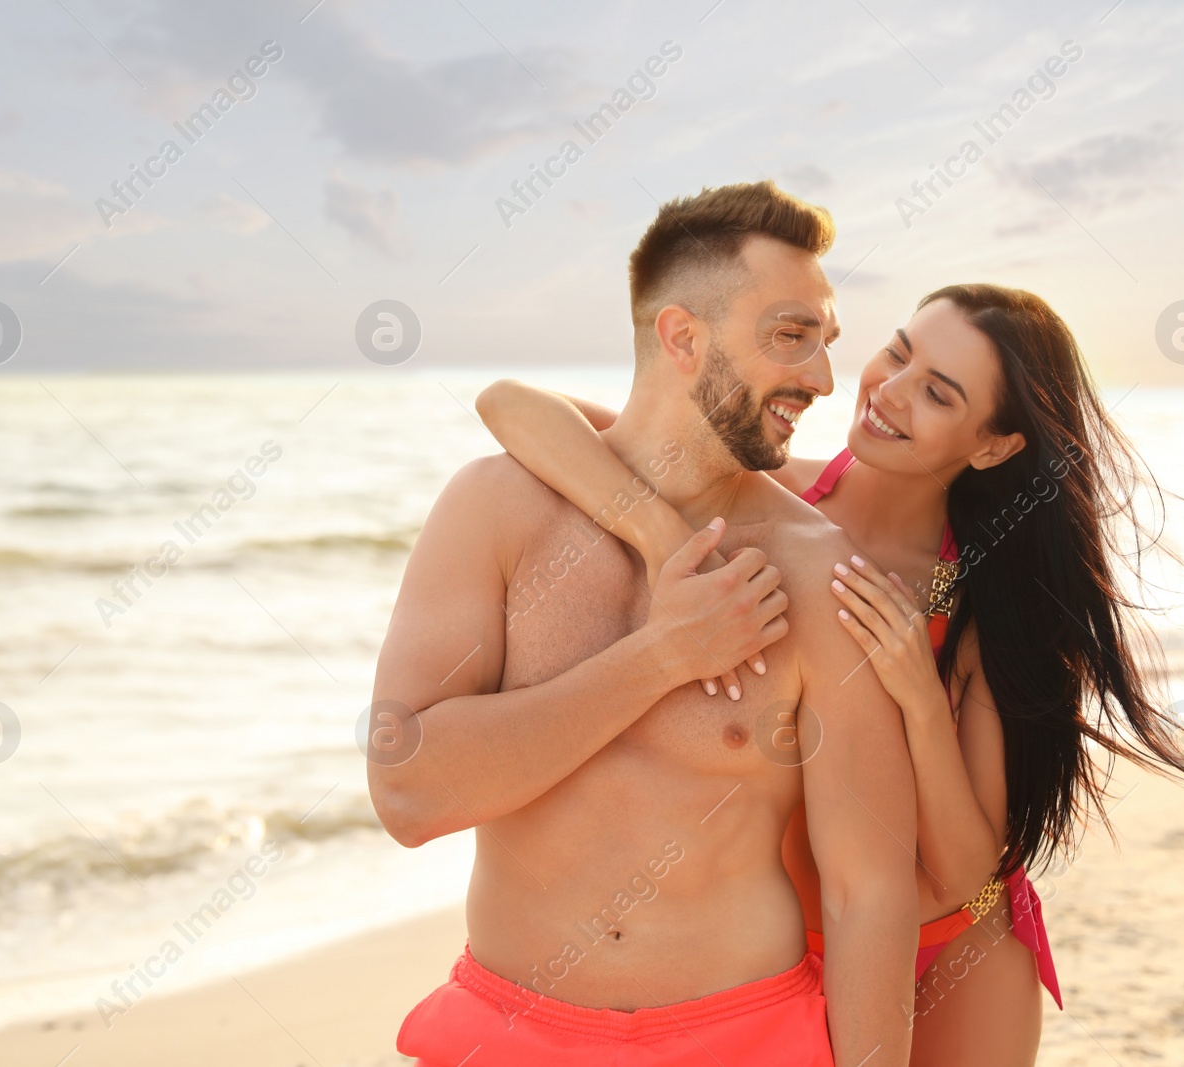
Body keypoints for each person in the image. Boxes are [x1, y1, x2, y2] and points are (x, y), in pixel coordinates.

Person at [476, 282, 1184, 1066]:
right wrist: (657, 533)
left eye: (936, 392)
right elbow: (510, 404)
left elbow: (965, 867)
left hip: (960, 951)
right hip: (783, 962)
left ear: (992, 445)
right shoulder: (763, 497)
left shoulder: (986, 598)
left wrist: (920, 695)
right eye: (898, 350)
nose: (889, 390)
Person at [369, 181, 919, 1066]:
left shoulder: (816, 570)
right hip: (507, 1039)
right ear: (683, 337)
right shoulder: (495, 510)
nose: (821, 378)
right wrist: (661, 658)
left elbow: (870, 888)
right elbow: (408, 794)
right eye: (791, 335)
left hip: (746, 1038)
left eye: (826, 343)